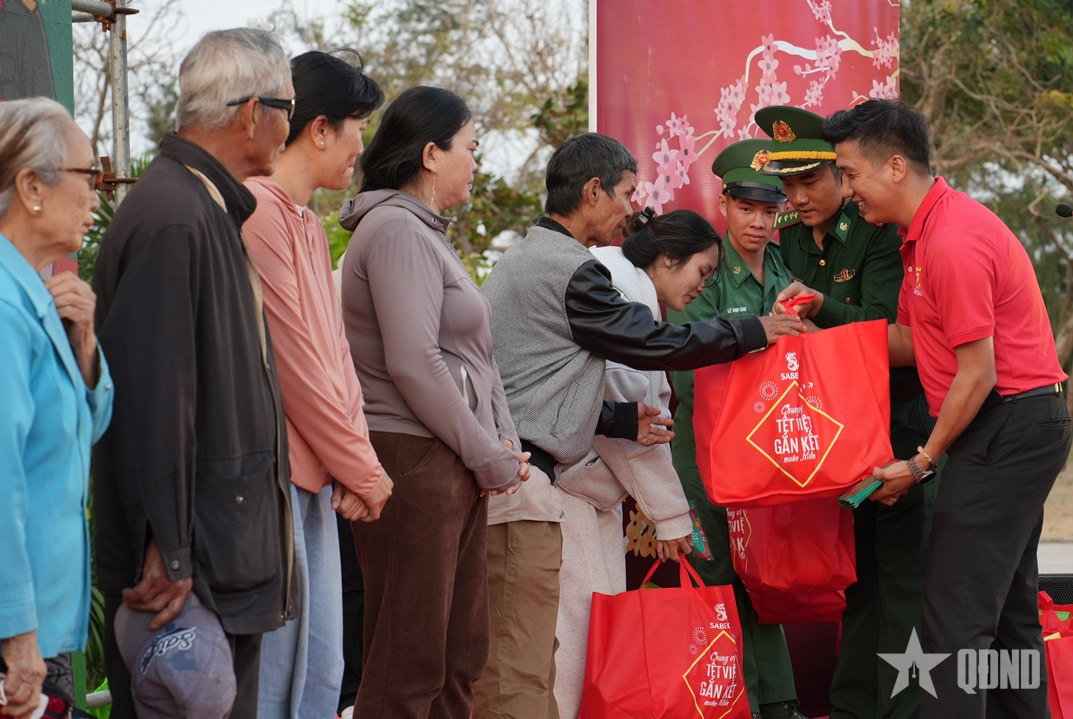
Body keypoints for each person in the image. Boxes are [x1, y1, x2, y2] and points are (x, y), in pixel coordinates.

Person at [476, 132, 805, 719]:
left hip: (530, 476)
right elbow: (652, 346)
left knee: (547, 646)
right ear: (594, 190)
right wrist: (754, 331)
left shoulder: (538, 258)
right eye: (627, 192)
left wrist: (620, 418)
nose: (632, 208)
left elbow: (541, 383)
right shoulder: (577, 272)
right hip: (537, 486)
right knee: (562, 648)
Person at [822, 98, 1071, 718]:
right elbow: (910, 342)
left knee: (953, 623)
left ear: (896, 166)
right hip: (1010, 427)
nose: (845, 191)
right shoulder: (923, 236)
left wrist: (922, 461)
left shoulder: (954, 239)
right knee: (1009, 616)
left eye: (850, 174)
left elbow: (978, 372)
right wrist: (818, 335)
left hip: (1007, 425)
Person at [92, 28, 296, 719]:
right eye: (287, 108)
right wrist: (168, 548)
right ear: (250, 113)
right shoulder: (175, 214)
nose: (288, 127)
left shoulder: (202, 204)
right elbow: (152, 399)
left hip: (212, 548)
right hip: (189, 568)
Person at [338, 85, 529, 719]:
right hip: (415, 458)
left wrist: (501, 441)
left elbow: (479, 357)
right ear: (431, 154)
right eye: (471, 148)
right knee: (408, 661)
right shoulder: (394, 229)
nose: (477, 162)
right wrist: (485, 452)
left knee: (457, 656)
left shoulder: (425, 233)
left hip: (450, 459)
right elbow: (414, 363)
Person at [759, 105, 936, 719]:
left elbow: (890, 333)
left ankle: (907, 708)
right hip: (832, 437)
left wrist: (818, 309)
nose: (798, 197)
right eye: (788, 186)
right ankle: (855, 706)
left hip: (900, 428)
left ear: (842, 173)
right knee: (859, 579)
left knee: (906, 580)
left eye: (813, 180)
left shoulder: (882, 232)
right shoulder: (782, 238)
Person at [241, 50, 389, 719]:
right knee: (281, 676)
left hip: (320, 476)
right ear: (321, 127)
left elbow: (336, 360)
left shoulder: (303, 220)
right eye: (359, 124)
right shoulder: (259, 212)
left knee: (321, 668)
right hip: (279, 480)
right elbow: (297, 366)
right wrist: (363, 469)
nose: (363, 143)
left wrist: (356, 464)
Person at [552, 208, 729, 718]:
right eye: (702, 270)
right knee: (581, 642)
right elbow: (631, 425)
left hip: (579, 492)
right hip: (566, 490)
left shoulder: (621, 287)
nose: (703, 286)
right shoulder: (618, 293)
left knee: (588, 637)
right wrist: (672, 517)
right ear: (668, 258)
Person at [666, 139, 806, 719]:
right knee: (715, 584)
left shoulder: (784, 270)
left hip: (771, 456)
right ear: (724, 204)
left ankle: (776, 703)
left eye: (769, 211)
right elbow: (688, 363)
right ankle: (726, 706)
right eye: (747, 208)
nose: (758, 222)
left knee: (761, 584)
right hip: (706, 457)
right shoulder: (704, 270)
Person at [0, 97, 113, 719]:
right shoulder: (6, 303)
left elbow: (90, 424)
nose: (96, 196)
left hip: (38, 618)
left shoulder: (39, 291)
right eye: (87, 177)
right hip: (14, 626)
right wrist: (16, 634)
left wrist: (86, 344)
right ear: (30, 187)